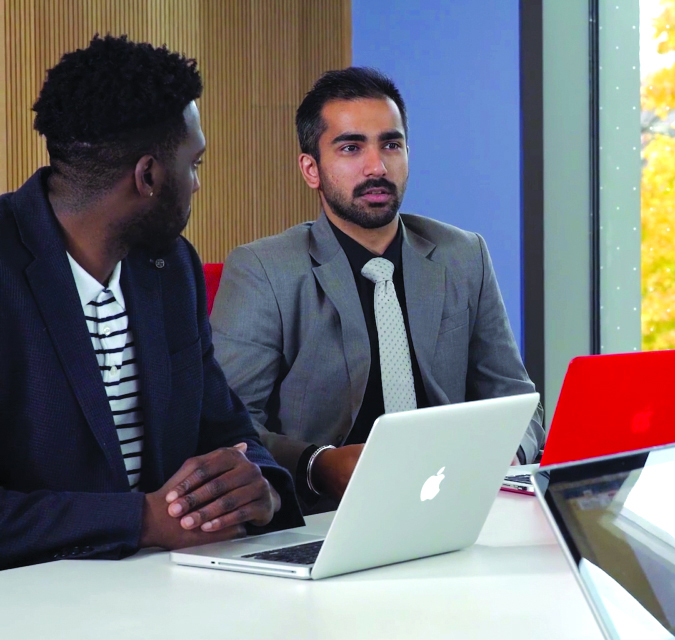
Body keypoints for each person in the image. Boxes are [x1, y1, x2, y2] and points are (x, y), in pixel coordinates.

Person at [0, 36, 303, 570]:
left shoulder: (170, 267)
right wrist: (139, 520)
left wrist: (260, 488)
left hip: (169, 590)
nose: (197, 184)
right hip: (34, 607)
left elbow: (228, 429)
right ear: (148, 176)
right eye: (194, 164)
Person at [211, 67, 545, 512]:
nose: (377, 166)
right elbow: (228, 427)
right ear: (311, 169)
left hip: (454, 502)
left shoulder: (463, 254)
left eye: (391, 144)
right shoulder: (264, 269)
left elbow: (515, 397)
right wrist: (318, 464)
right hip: (325, 515)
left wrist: (508, 454)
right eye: (351, 147)